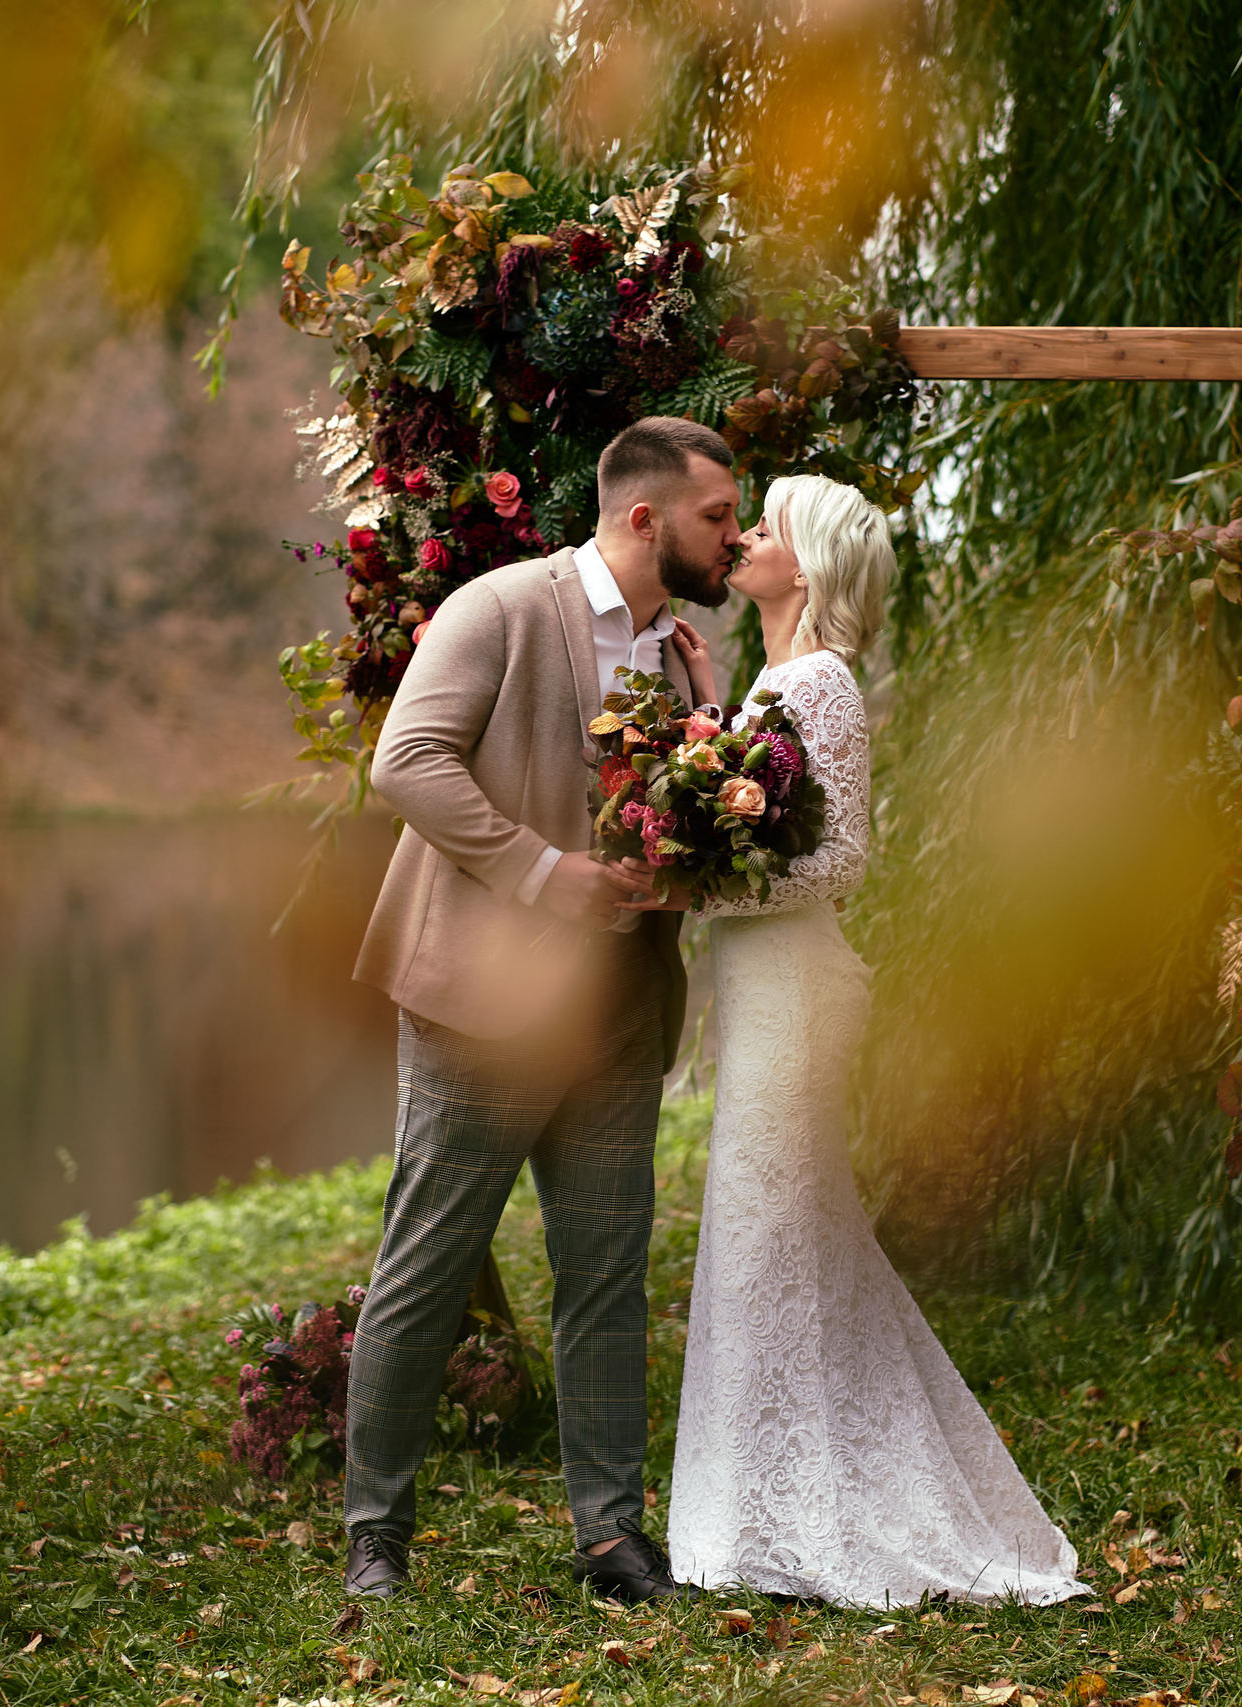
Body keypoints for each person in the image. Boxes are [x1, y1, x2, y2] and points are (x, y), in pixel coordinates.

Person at [660, 473, 1089, 1608]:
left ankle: (794, 1509)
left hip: (794, 983)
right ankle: (759, 1497)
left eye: (767, 524)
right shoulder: (774, 674)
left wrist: (695, 887)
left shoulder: (822, 683)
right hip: (763, 980)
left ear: (804, 564)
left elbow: (840, 859)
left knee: (774, 1224)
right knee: (775, 1225)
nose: (744, 534)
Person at [339, 416, 739, 1604]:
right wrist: (543, 875)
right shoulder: (500, 607)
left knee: (607, 1271)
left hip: (621, 1006)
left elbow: (659, 821)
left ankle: (611, 1537)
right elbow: (406, 762)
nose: (734, 535)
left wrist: (679, 859)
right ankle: (377, 1538)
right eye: (717, 516)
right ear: (643, 518)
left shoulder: (680, 653)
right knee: (427, 1261)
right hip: (483, 1005)